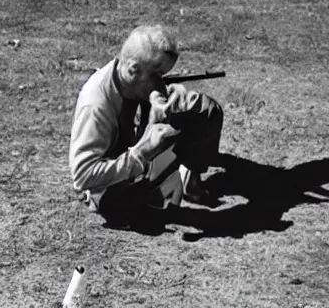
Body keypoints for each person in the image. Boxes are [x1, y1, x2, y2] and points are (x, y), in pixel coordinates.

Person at [69, 24, 223, 228]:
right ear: (133, 69)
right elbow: (82, 175)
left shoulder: (131, 78)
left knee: (206, 109)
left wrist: (171, 96)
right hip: (110, 180)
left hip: (137, 154)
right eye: (157, 74)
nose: (161, 82)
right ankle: (157, 187)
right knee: (138, 209)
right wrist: (141, 152)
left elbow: (157, 94)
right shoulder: (95, 105)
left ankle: (188, 179)